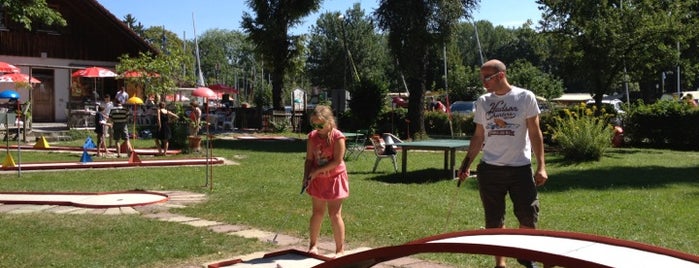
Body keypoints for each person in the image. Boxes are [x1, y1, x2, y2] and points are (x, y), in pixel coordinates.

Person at [457, 59, 548, 268]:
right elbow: (478, 136)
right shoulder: (483, 101)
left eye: (486, 78)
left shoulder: (525, 97)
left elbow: (535, 133)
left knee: (528, 215)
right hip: (490, 170)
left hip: (520, 168)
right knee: (494, 220)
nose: (483, 83)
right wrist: (466, 163)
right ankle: (501, 264)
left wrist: (542, 165)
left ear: (500, 75)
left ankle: (525, 254)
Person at [304, 105, 349, 257]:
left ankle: (340, 250)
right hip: (318, 180)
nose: (317, 127)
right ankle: (313, 245)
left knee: (334, 214)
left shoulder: (338, 137)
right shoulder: (312, 137)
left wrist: (317, 171)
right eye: (314, 124)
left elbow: (337, 161)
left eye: (320, 124)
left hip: (335, 178)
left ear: (330, 122)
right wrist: (306, 176)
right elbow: (309, 160)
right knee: (317, 213)